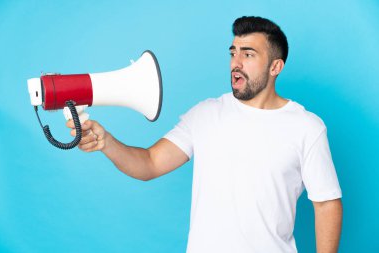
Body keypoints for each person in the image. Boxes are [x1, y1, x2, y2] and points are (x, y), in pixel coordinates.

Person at [67, 16, 342, 253]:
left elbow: (327, 203)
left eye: (248, 54)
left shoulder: (307, 127)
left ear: (275, 67)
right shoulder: (206, 114)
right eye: (233, 52)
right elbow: (149, 163)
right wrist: (107, 142)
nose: (236, 63)